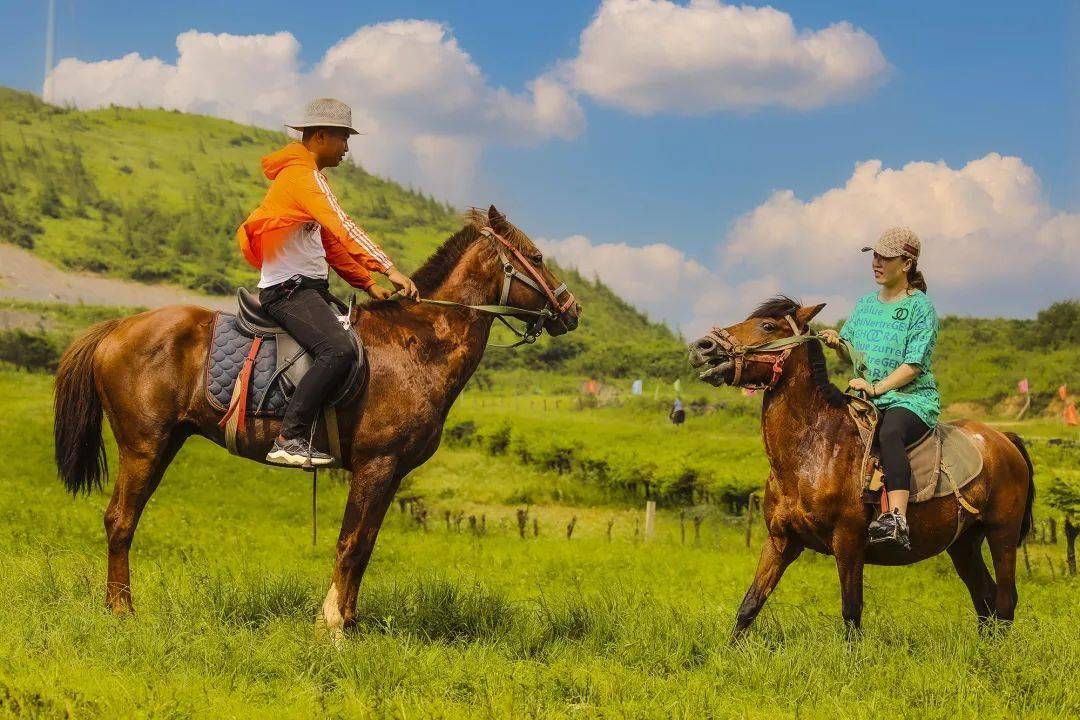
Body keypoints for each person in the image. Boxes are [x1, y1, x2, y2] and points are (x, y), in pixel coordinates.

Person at [236, 98, 419, 467]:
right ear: (320, 136)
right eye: (342, 138)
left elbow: (331, 244)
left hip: (307, 289)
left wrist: (367, 284)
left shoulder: (304, 175)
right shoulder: (304, 177)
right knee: (339, 351)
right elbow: (343, 225)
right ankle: (290, 438)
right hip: (289, 291)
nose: (347, 148)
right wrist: (388, 268)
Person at [820, 227, 939, 551]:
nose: (877, 262)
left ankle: (896, 518)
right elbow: (851, 349)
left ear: (906, 264)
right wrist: (836, 342)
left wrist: (876, 388)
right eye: (875, 255)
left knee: (889, 434)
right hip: (867, 394)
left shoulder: (920, 307)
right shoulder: (865, 304)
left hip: (909, 398)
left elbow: (914, 365)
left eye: (886, 257)